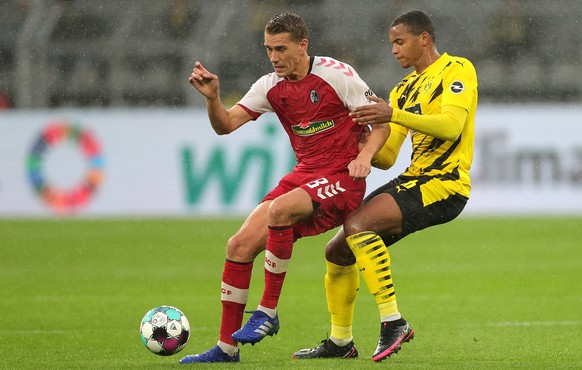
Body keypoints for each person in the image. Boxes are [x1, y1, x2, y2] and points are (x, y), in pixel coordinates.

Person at [179, 12, 390, 364]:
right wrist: (213, 99)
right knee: (239, 245)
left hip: (342, 176)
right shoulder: (269, 86)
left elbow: (380, 122)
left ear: (303, 45)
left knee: (279, 210)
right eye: (268, 49)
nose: (274, 57)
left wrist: (366, 156)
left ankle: (267, 312)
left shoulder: (337, 75)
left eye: (281, 48)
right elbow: (226, 125)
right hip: (304, 175)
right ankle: (226, 349)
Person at [293, 9, 478, 362]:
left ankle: (393, 322)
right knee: (338, 251)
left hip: (445, 183)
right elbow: (388, 156)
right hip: (413, 178)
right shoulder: (404, 88)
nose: (393, 50)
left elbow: (452, 126)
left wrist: (392, 115)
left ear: (423, 38)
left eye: (399, 41)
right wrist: (361, 138)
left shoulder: (457, 69)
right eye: (391, 43)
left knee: (358, 225)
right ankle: (340, 342)